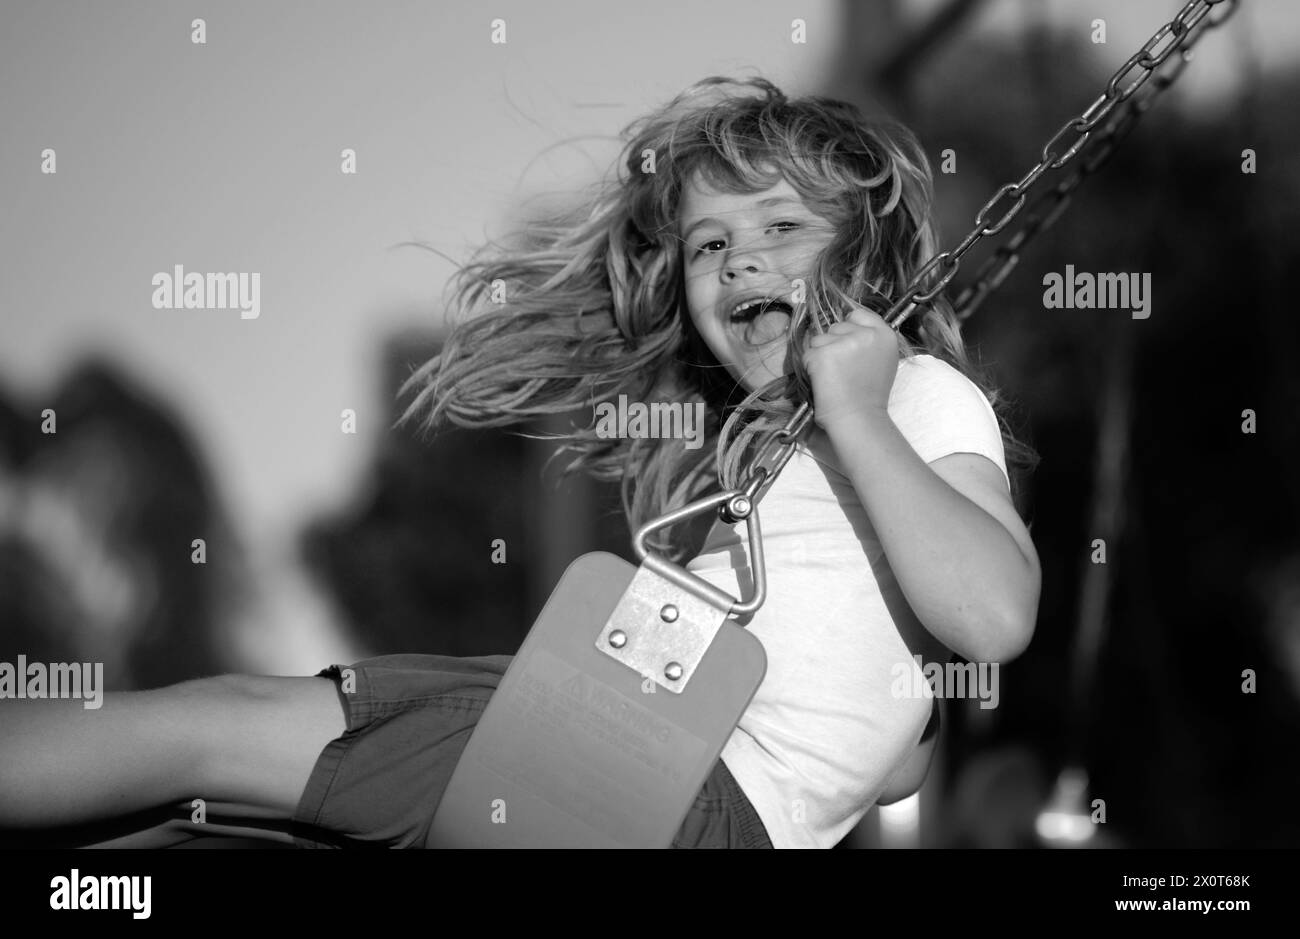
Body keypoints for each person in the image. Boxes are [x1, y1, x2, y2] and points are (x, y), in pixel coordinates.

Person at [0, 76, 1040, 849]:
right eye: (708, 245)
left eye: (780, 224)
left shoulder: (907, 399)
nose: (741, 259)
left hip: (650, 774)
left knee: (215, 733)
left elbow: (992, 618)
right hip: (643, 779)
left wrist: (857, 413)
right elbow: (895, 760)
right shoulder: (768, 461)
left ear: (865, 254)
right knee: (200, 826)